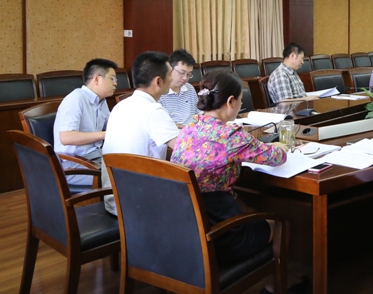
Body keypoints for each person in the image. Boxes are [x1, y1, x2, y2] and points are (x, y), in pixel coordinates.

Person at [171, 71, 287, 262]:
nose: (241, 104)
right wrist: (281, 147)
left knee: (247, 207)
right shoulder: (231, 135)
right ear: (231, 101)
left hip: (186, 232)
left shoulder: (188, 129)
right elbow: (276, 158)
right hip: (220, 236)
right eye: (241, 100)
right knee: (277, 223)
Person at [101, 51, 180, 215]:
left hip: (115, 199)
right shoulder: (154, 111)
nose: (172, 80)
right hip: (140, 205)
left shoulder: (120, 106)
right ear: (158, 81)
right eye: (169, 75)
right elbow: (186, 149)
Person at [53, 58, 118, 184]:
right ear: (97, 79)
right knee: (122, 179)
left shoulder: (101, 101)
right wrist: (105, 134)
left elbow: (113, 127)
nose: (115, 83)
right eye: (112, 79)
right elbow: (66, 137)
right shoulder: (75, 99)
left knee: (133, 169)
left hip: (96, 158)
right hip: (73, 164)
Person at [159, 48, 200, 126]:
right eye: (182, 73)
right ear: (170, 69)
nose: (185, 78)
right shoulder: (160, 92)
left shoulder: (189, 88)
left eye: (189, 74)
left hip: (193, 131)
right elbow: (160, 123)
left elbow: (199, 114)